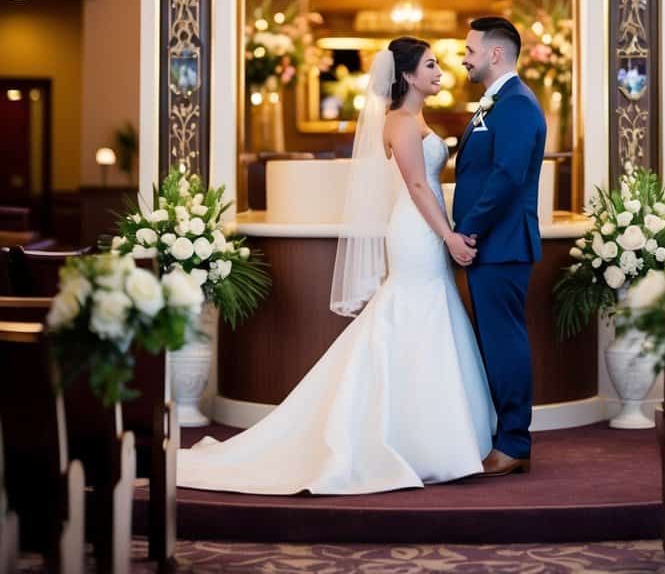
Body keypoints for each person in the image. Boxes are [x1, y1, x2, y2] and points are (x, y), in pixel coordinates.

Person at [176, 37, 495, 495]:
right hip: (416, 229)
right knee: (412, 312)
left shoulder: (414, 118)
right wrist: (448, 235)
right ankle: (410, 438)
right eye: (430, 65)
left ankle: (427, 433)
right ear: (407, 76)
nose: (440, 71)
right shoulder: (402, 123)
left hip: (424, 226)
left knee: (424, 314)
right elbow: (418, 187)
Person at [453, 16, 546, 477]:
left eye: (469, 50)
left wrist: (468, 229)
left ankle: (513, 443)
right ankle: (505, 437)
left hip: (502, 244)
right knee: (494, 340)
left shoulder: (517, 105)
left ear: (494, 54)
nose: (463, 58)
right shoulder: (496, 103)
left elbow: (508, 176)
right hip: (493, 243)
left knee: (504, 341)